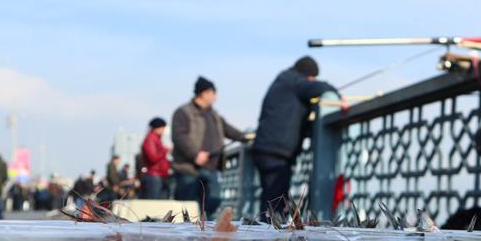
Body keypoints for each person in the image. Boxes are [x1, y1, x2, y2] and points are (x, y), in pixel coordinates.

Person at [252, 57, 338, 215]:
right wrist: (335, 93)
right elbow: (318, 87)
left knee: (272, 199)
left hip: (267, 148)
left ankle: (268, 233)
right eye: (313, 78)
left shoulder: (284, 79)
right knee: (274, 204)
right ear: (308, 75)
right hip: (275, 152)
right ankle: (270, 237)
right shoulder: (295, 81)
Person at [171, 76, 248, 215]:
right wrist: (195, 154)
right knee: (187, 208)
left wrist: (245, 137)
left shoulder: (214, 115)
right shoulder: (183, 112)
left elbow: (228, 129)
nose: (215, 97)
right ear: (204, 93)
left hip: (212, 167)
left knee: (214, 200)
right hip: (189, 169)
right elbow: (178, 136)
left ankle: (203, 232)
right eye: (213, 93)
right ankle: (187, 235)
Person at [141, 117, 171, 199]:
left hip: (159, 175)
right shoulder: (150, 139)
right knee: (154, 202)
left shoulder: (156, 139)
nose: (164, 130)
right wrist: (165, 150)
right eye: (163, 128)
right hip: (154, 175)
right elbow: (153, 157)